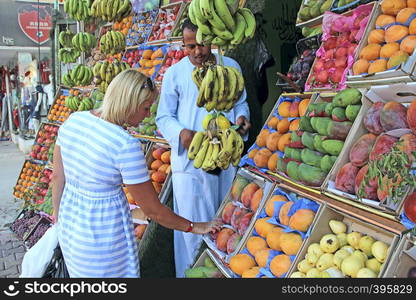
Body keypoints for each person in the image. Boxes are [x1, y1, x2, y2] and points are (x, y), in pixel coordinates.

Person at [52, 69, 222, 278]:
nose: (148, 114)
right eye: (146, 107)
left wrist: (59, 220)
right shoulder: (124, 144)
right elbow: (153, 211)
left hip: (71, 230)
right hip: (103, 240)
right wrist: (195, 226)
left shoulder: (74, 121)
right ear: (130, 104)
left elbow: (58, 177)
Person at [156, 19, 251, 278]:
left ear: (212, 40)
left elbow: (241, 102)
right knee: (191, 231)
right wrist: (181, 134)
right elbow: (163, 117)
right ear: (183, 45)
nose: (198, 51)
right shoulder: (175, 73)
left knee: (226, 224)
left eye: (203, 44)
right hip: (191, 165)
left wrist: (243, 118)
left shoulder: (230, 67)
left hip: (225, 160)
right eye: (190, 46)